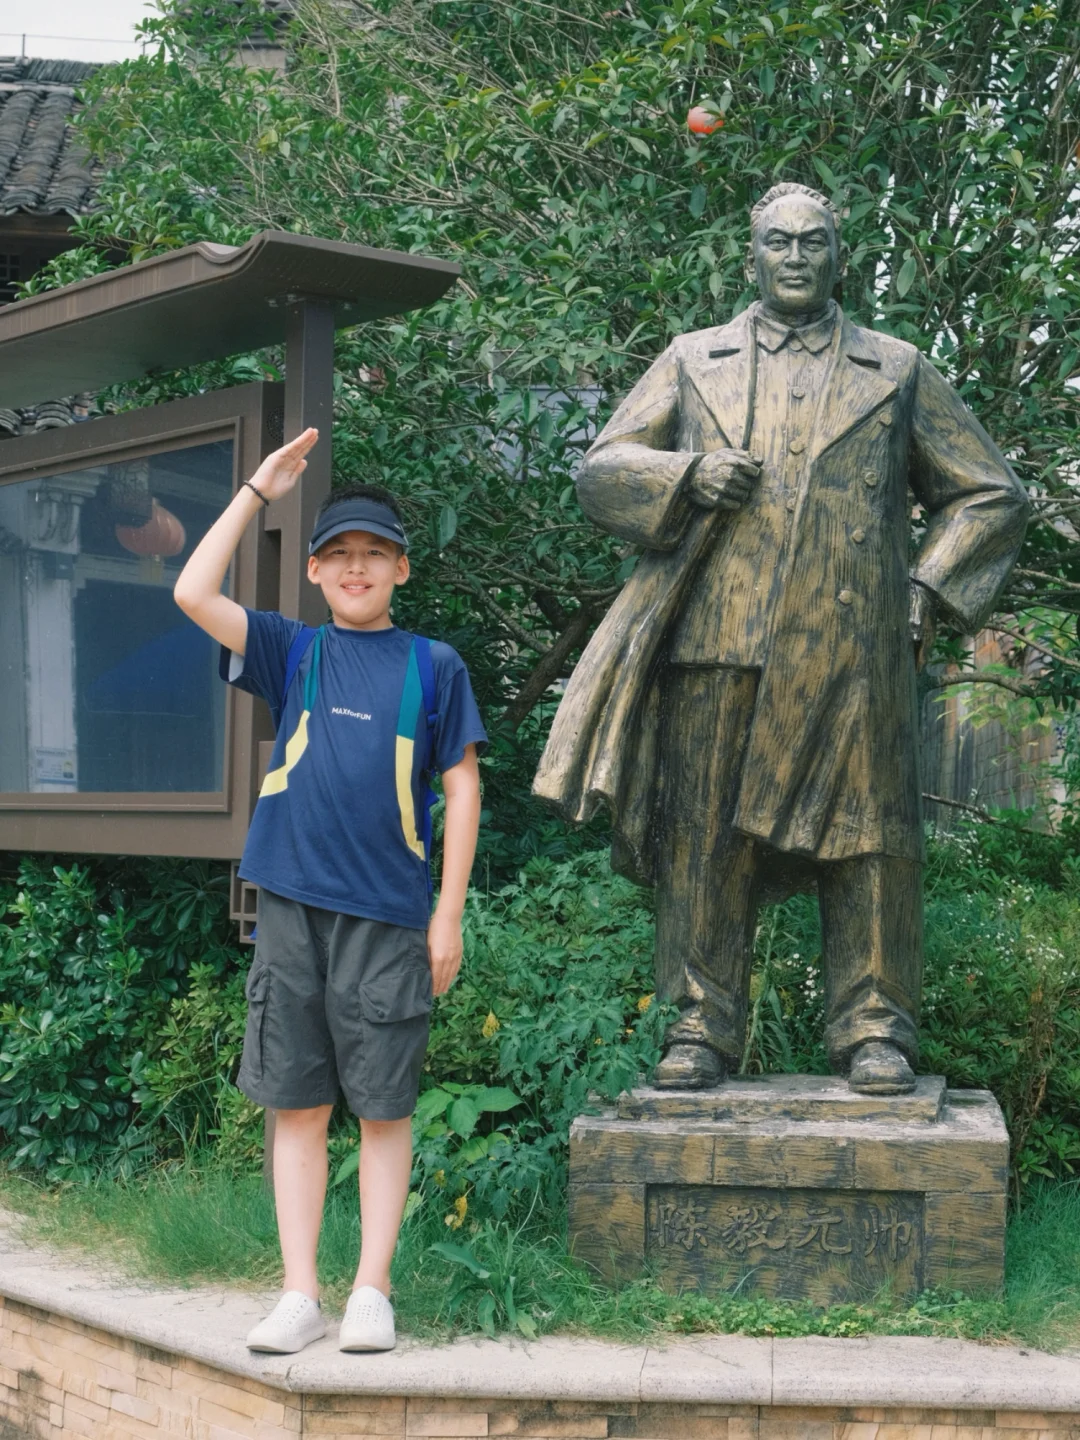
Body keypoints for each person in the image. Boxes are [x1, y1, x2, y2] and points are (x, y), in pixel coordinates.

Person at [535, 182, 1028, 1095]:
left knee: (871, 841)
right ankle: (699, 1024)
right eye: (779, 242)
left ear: (840, 256)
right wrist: (685, 474)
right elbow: (601, 470)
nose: (796, 257)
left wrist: (927, 587)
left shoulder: (897, 368)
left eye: (813, 242)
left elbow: (990, 494)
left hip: (853, 648)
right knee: (701, 838)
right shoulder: (694, 360)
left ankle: (875, 1027)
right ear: (751, 256)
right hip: (719, 637)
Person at [174, 428, 486, 1354]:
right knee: (298, 1106)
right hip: (292, 909)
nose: (357, 567)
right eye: (339, 554)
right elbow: (192, 592)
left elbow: (464, 787)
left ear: (400, 569)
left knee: (385, 1107)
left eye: (374, 554)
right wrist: (256, 491)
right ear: (314, 570)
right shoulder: (292, 651)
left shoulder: (433, 665)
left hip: (389, 917)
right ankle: (300, 1294)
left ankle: (371, 1292)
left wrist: (448, 913)